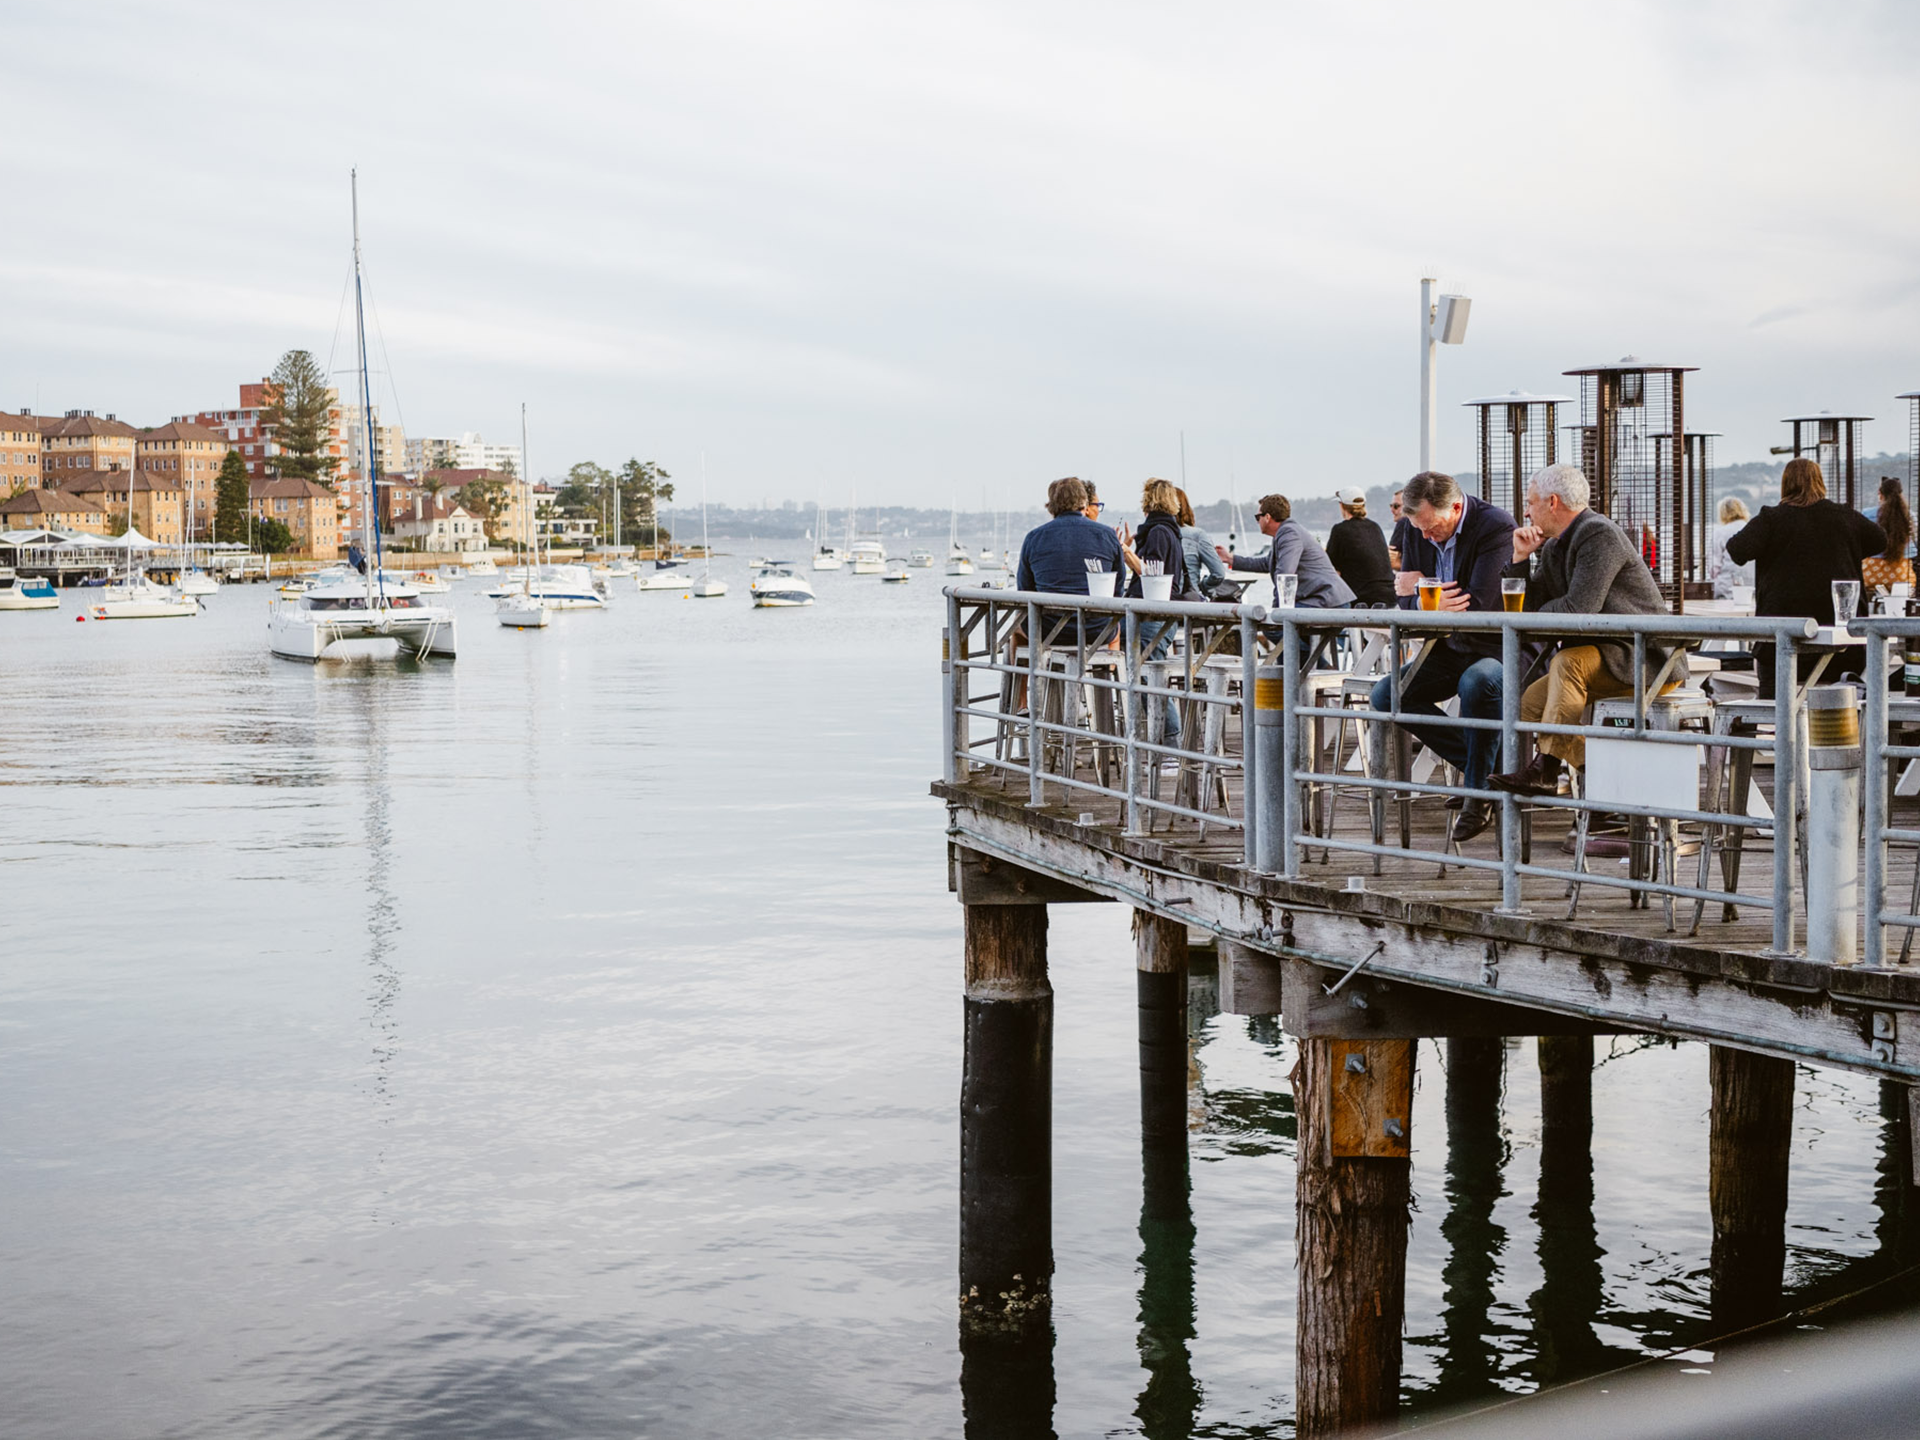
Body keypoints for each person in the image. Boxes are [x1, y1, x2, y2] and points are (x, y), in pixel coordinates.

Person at [1485, 465, 1674, 800]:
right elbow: (1530, 609)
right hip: (1605, 654)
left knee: (1567, 662)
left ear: (1552, 502)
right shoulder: (1555, 545)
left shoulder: (1598, 534)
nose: (1526, 512)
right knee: (1528, 701)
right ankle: (1610, 782)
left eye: (1530, 503)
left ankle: (1545, 772)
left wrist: (1534, 618)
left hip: (1643, 658)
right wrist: (1518, 560)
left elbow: (1578, 610)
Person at [1368, 470, 1518, 843]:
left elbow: (1479, 603)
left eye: (1432, 528)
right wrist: (1420, 595)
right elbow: (1403, 599)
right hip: (1449, 644)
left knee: (1478, 681)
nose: (1424, 536)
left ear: (1454, 507)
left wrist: (1418, 588)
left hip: (1498, 646)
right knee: (1388, 694)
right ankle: (1484, 775)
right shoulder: (1416, 529)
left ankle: (1478, 795)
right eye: (1417, 528)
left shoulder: (1494, 526)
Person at [1726, 457, 1884, 696]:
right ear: (1820, 482)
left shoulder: (1771, 519)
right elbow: (1880, 540)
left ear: (1785, 485)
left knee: (1774, 706)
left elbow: (1737, 549)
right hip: (1843, 644)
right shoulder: (1845, 516)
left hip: (1781, 642)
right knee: (1846, 709)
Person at [1214, 494, 1354, 609]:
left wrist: (1277, 610)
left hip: (1327, 601)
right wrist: (1230, 559)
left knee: (1275, 629)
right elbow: (1267, 563)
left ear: (1267, 517)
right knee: (1281, 629)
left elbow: (1285, 575)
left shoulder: (1289, 533)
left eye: (1258, 517)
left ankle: (1310, 644)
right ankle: (1313, 645)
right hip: (1324, 599)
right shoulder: (1285, 532)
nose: (1257, 522)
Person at [1016, 476, 1123, 594]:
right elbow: (1117, 587)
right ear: (1084, 503)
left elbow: (1024, 589)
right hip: (1093, 611)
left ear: (1051, 505)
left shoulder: (1034, 538)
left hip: (1048, 611)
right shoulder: (1107, 535)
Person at [1324, 486, 1396, 606]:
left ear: (1341, 505)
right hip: (1389, 595)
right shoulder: (1375, 527)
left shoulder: (1340, 530)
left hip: (1361, 597)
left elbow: (1332, 570)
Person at [1175, 487, 1231, 598]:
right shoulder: (1197, 535)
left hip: (1160, 602)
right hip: (1189, 599)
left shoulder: (1154, 534)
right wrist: (1203, 585)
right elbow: (1218, 573)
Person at [1864, 477, 1915, 594]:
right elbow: (1913, 550)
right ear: (1901, 494)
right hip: (1901, 574)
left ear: (1880, 494)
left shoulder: (1867, 514)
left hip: (1870, 573)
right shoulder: (1909, 516)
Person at [1706, 496, 1754, 599]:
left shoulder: (1720, 533)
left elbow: (1713, 568)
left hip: (1726, 589)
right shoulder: (1751, 529)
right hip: (1751, 589)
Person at [1387, 488, 1411, 571]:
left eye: (1396, 506)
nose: (1392, 510)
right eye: (1391, 506)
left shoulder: (1403, 523)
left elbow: (1392, 561)